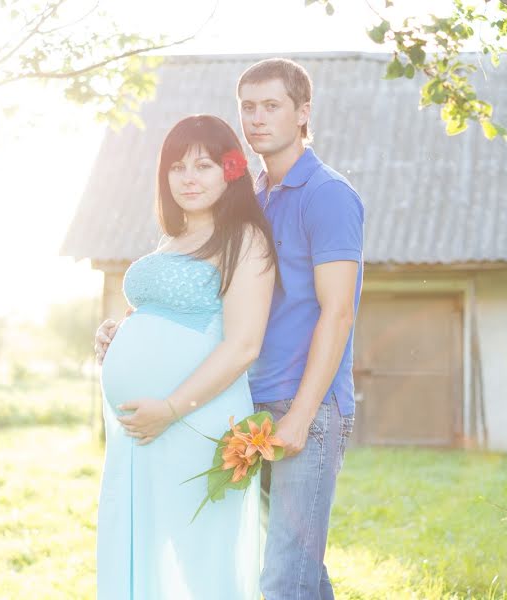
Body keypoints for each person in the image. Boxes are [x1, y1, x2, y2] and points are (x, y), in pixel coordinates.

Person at [97, 58, 364, 600]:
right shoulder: (251, 198)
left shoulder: (328, 195)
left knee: (286, 574)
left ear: (303, 112)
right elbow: (207, 292)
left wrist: (302, 415)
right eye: (248, 107)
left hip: (300, 405)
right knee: (299, 569)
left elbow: (338, 312)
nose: (257, 118)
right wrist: (129, 330)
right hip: (246, 406)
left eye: (272, 106)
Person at [96, 114, 278, 600]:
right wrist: (119, 336)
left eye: (203, 165)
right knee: (147, 543)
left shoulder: (245, 239)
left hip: (194, 419)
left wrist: (171, 407)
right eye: (177, 166)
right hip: (141, 428)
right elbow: (165, 317)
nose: (189, 177)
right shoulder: (171, 242)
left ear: (230, 171)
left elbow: (243, 344)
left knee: (197, 554)